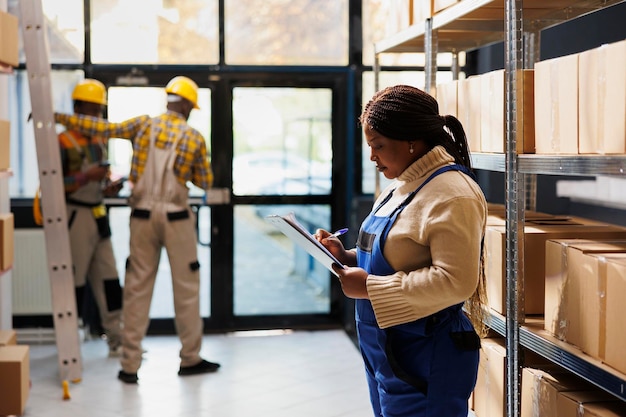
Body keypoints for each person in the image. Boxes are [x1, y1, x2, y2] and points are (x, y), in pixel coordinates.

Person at [316, 85, 488, 417]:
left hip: (426, 356)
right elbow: (394, 255)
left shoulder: (453, 194)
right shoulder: (398, 187)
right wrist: (346, 255)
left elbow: (457, 281)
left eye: (378, 145)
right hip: (386, 352)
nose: (372, 157)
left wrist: (368, 287)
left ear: (412, 140)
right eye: (369, 145)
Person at [54, 76, 220, 384]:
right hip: (176, 219)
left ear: (168, 99)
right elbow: (205, 182)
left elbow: (104, 129)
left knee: (137, 288)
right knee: (186, 288)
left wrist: (57, 117)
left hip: (142, 217)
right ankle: (190, 358)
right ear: (185, 105)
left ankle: (129, 365)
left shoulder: (143, 125)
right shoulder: (194, 137)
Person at [59, 79, 124, 357]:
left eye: (99, 110)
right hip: (76, 214)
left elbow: (102, 177)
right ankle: (70, 345)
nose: (96, 116)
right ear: (78, 108)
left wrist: (109, 186)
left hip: (99, 211)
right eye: (92, 109)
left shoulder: (99, 140)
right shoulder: (62, 141)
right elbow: (55, 184)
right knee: (74, 282)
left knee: (109, 279)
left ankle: (118, 340)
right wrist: (87, 176)